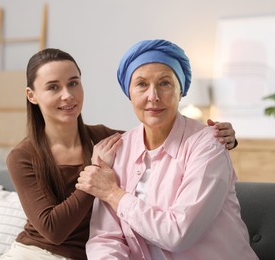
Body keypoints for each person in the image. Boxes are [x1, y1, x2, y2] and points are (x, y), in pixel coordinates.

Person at [0, 48, 238, 260]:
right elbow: (55, 230)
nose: (67, 95)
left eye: (73, 83)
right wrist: (95, 176)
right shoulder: (23, 156)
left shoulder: (108, 141)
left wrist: (222, 138)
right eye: (53, 87)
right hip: (35, 251)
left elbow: (157, 135)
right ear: (32, 95)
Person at [77, 39, 258, 259]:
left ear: (181, 91)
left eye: (165, 83)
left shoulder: (209, 144)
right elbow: (105, 238)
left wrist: (113, 193)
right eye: (141, 84)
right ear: (129, 92)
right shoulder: (117, 149)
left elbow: (178, 234)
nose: (153, 96)